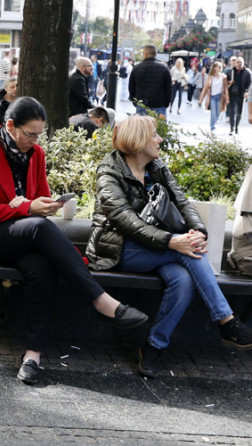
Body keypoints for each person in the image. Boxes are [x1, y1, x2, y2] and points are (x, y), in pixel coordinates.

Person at [0, 96, 148, 385]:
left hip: (23, 234)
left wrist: (48, 205)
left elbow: (40, 195)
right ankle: (101, 301)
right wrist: (27, 208)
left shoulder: (36, 154)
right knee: (39, 229)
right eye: (30, 134)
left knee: (41, 267)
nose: (35, 141)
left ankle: (33, 355)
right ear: (10, 126)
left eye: (39, 135)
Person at [87, 115, 252, 378]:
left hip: (156, 249)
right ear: (138, 140)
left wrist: (198, 231)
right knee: (191, 255)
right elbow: (125, 220)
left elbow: (182, 201)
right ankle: (227, 321)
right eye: (154, 135)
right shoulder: (109, 172)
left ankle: (154, 346)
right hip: (119, 249)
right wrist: (172, 241)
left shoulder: (156, 167)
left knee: (183, 279)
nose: (160, 139)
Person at [128, 45, 172, 117]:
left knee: (142, 124)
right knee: (158, 124)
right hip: (159, 104)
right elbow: (168, 88)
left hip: (142, 104)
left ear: (145, 54)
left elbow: (131, 87)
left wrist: (135, 102)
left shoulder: (137, 68)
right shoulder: (164, 68)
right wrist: (166, 103)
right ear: (155, 54)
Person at [199, 61, 228, 132]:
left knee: (219, 112)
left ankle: (215, 122)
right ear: (215, 68)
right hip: (212, 97)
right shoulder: (211, 77)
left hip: (220, 96)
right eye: (219, 67)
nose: (221, 68)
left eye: (221, 67)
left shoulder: (223, 77)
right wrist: (201, 99)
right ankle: (212, 126)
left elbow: (226, 88)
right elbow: (205, 89)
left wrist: (227, 98)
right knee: (213, 112)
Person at [228, 56, 251, 135]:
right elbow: (225, 82)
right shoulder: (231, 71)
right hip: (232, 94)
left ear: (243, 63)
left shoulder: (247, 72)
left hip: (241, 94)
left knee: (239, 112)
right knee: (232, 111)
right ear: (235, 63)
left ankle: (236, 126)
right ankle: (232, 128)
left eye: (240, 62)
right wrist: (229, 83)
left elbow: (250, 83)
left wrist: (247, 91)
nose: (239, 64)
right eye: (238, 62)